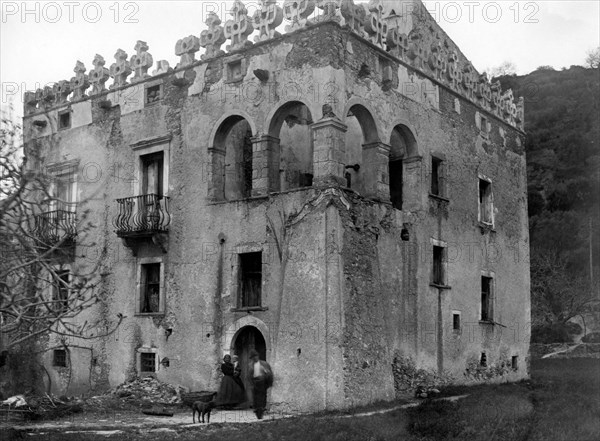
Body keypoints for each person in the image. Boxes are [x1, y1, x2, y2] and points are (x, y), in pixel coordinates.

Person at [249, 349, 273, 419]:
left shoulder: (264, 364)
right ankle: (257, 409)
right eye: (253, 357)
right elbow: (249, 375)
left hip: (262, 381)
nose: (254, 358)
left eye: (255, 356)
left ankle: (262, 409)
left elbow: (269, 373)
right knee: (256, 396)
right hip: (255, 382)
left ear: (257, 356)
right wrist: (251, 383)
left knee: (262, 396)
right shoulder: (251, 365)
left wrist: (269, 382)